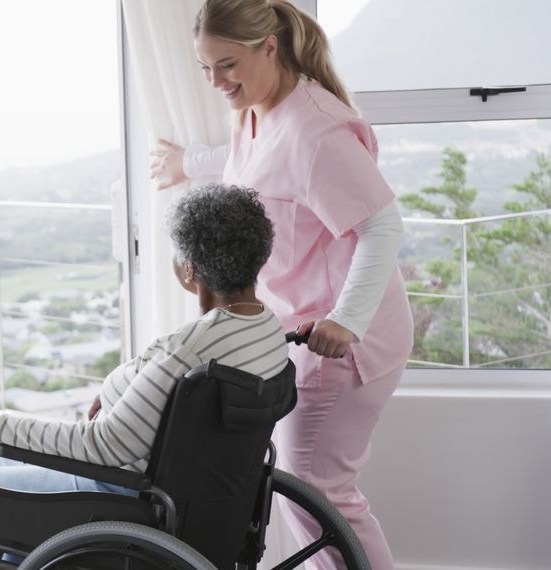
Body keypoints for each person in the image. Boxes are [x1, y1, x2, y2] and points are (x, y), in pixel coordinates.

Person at [149, 1, 413, 568]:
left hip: (342, 341)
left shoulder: (317, 132)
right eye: (205, 69)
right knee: (309, 494)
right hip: (303, 327)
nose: (216, 82)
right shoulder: (259, 108)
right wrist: (189, 164)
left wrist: (346, 321)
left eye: (227, 65)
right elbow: (256, 165)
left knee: (322, 497)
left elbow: (382, 225)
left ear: (269, 47)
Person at [0, 184, 288, 569]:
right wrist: (121, 391)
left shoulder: (193, 347)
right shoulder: (267, 331)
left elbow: (106, 446)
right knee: (2, 470)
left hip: (120, 495)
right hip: (200, 497)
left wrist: (1, 428)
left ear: (190, 269)